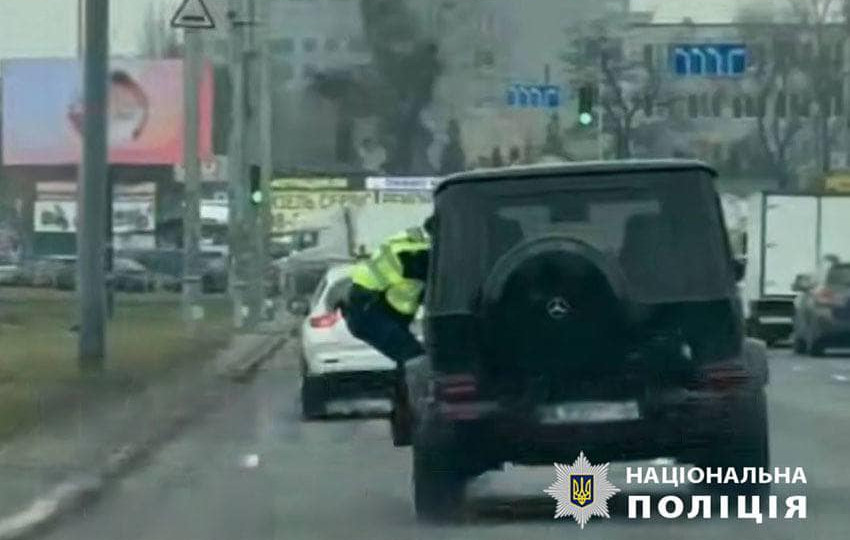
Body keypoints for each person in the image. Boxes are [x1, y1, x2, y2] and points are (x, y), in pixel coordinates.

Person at [343, 217, 432, 365]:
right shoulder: (418, 254)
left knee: (411, 358)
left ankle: (408, 385)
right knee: (416, 359)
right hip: (371, 310)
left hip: (371, 307)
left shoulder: (413, 242)